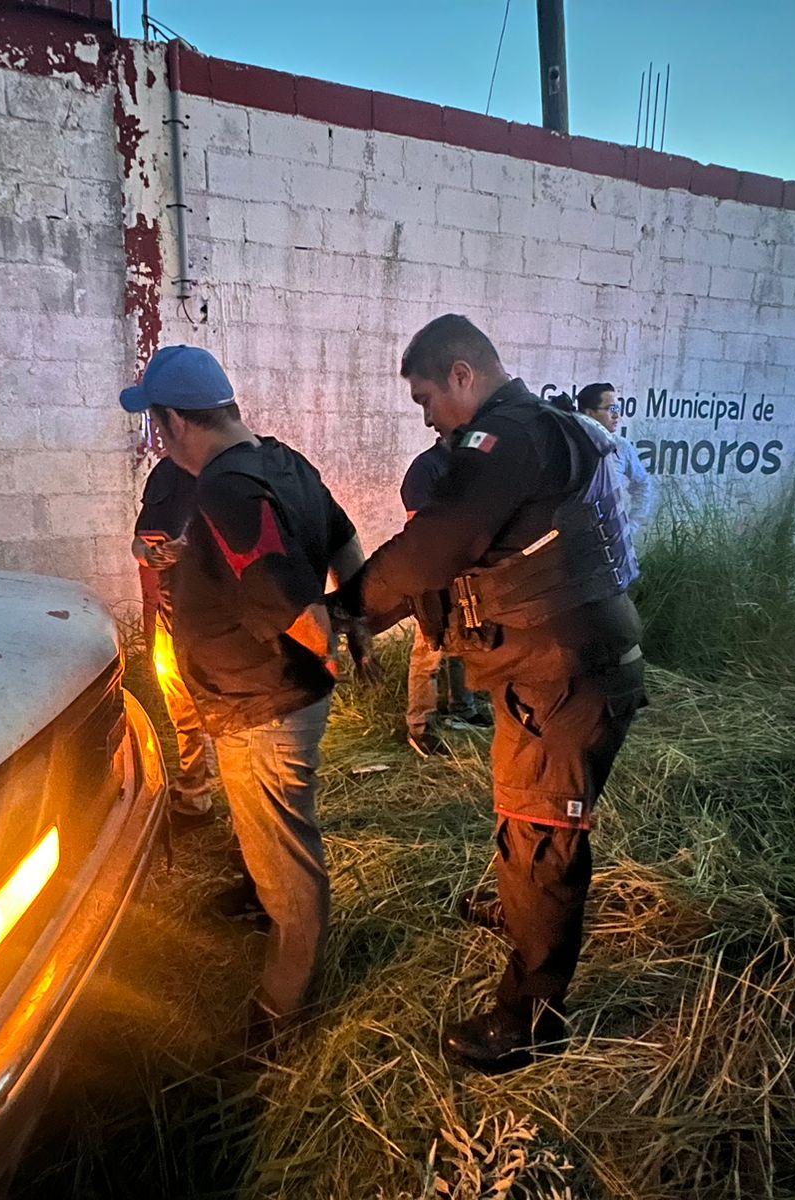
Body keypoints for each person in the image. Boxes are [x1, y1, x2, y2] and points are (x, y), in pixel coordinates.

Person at [330, 315, 647, 1073]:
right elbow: (452, 564)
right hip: (556, 666)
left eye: (426, 397)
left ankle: (530, 1019)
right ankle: (516, 909)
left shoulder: (508, 438)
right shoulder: (547, 429)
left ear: (464, 376)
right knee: (522, 810)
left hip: (562, 675)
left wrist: (349, 608)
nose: (426, 416)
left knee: (544, 841)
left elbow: (439, 544)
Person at [119, 344, 367, 1038]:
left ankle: (281, 1010)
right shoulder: (282, 459)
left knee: (287, 863)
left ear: (175, 422)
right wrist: (358, 618)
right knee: (276, 843)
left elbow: (292, 608)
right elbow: (347, 545)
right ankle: (272, 913)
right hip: (272, 700)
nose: (159, 440)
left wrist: (337, 640)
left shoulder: (226, 487)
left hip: (264, 706)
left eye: (159, 427)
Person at [131, 453, 217, 830]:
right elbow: (139, 542)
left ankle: (255, 830)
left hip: (219, 628)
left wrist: (190, 549)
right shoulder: (166, 474)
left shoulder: (238, 473)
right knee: (183, 712)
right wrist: (149, 554)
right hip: (172, 622)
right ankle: (196, 797)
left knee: (232, 725)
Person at [401, 435, 490, 758]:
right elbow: (420, 528)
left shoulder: (472, 462)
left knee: (462, 640)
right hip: (431, 572)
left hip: (465, 568)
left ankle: (461, 708)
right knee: (430, 648)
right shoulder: (426, 468)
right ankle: (419, 727)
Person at [574, 382, 654, 543]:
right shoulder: (570, 446)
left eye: (617, 409)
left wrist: (631, 525)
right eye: (611, 409)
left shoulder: (621, 446)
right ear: (589, 413)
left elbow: (643, 484)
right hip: (572, 539)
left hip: (611, 540)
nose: (617, 415)